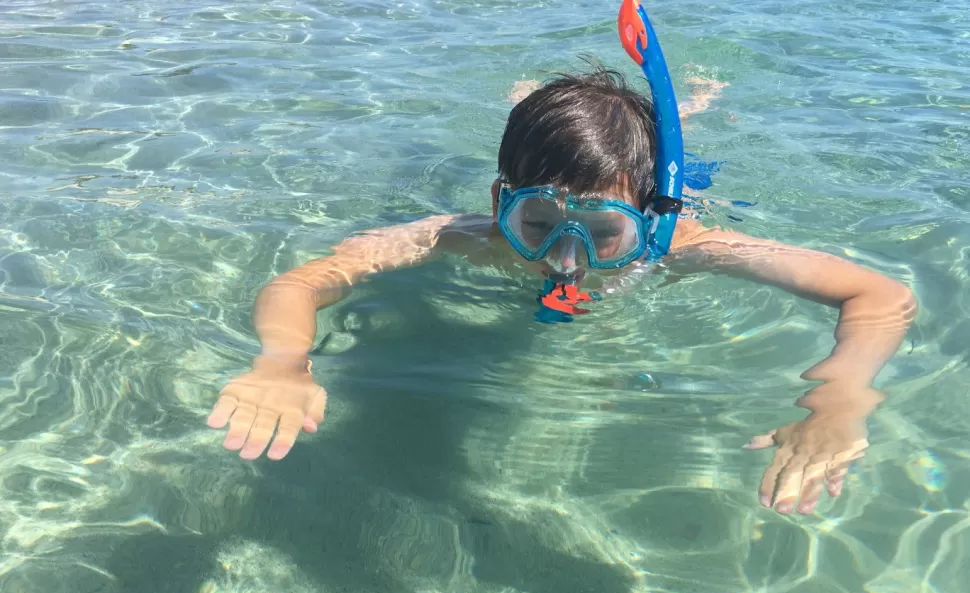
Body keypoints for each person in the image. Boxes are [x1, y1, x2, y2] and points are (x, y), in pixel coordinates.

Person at [207, 3, 916, 517]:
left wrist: (841, 395)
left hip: (672, 184)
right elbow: (306, 281)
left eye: (603, 233)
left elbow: (880, 297)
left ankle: (689, 110)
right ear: (500, 202)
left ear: (648, 222)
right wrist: (282, 360)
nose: (564, 259)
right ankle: (550, 105)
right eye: (538, 223)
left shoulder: (685, 244)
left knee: (678, 155)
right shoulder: (470, 234)